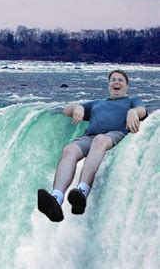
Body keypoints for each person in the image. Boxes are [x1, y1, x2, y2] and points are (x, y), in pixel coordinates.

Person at [38, 69, 148, 222]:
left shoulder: (132, 101)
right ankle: (56, 199)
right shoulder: (97, 103)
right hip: (89, 137)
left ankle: (82, 192)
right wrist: (78, 107)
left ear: (127, 86)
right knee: (69, 150)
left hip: (113, 134)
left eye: (120, 80)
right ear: (109, 85)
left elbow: (142, 110)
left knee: (100, 140)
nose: (116, 82)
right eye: (113, 80)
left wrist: (133, 112)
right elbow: (67, 110)